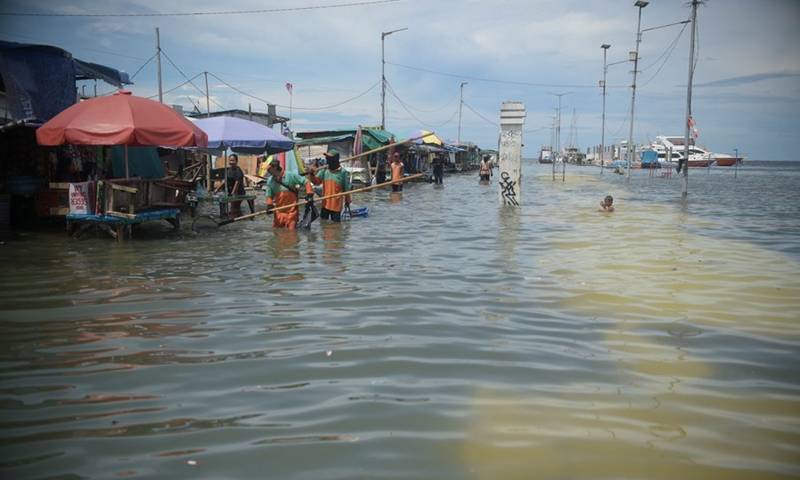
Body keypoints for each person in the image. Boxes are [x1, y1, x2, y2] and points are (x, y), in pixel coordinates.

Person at [265, 160, 313, 230]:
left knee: (292, 235)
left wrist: (309, 194)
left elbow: (306, 182)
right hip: (279, 212)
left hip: (292, 212)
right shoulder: (270, 180)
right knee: (277, 234)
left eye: (269, 169)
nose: (267, 171)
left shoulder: (290, 175)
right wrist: (269, 205)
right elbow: (269, 195)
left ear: (275, 167)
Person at [308, 152, 351, 223]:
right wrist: (311, 174)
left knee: (336, 226)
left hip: (336, 206)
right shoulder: (324, 170)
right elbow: (316, 182)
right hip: (325, 204)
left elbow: (346, 189)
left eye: (329, 159)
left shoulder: (343, 172)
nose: (327, 161)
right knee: (323, 224)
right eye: (327, 159)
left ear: (335, 160)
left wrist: (347, 201)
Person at [215, 154, 246, 218]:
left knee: (234, 208)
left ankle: (238, 218)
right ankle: (236, 216)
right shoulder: (229, 170)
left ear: (236, 161)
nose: (231, 162)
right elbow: (224, 181)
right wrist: (217, 189)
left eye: (233, 160)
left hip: (238, 193)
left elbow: (237, 183)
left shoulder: (238, 170)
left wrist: (233, 193)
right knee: (226, 205)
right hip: (231, 192)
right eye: (230, 160)